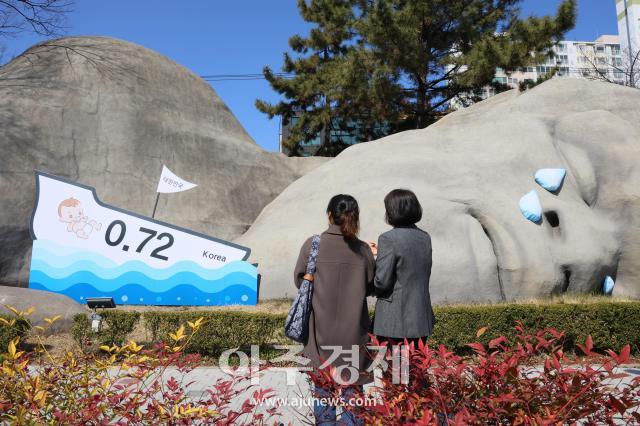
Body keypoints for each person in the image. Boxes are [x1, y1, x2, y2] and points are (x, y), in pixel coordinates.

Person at [294, 194, 375, 426]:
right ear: (355, 218)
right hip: (354, 333)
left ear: (329, 215)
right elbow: (370, 285)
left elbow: (301, 282)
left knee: (323, 389)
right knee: (352, 391)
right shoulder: (362, 250)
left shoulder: (313, 244)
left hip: (320, 331)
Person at [370, 189, 435, 347]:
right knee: (414, 368)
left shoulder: (388, 238)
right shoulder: (425, 237)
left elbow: (381, 282)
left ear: (392, 211)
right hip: (420, 317)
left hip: (394, 320)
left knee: (396, 370)